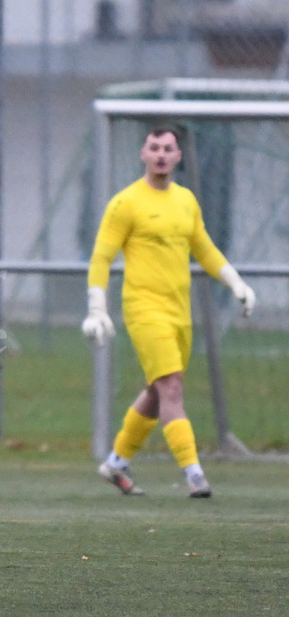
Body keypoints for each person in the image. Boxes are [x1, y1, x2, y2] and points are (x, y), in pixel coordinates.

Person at [82, 124, 255, 499]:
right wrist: (97, 307)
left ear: (177, 156)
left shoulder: (186, 201)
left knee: (158, 390)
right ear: (143, 154)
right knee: (172, 386)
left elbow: (204, 248)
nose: (160, 154)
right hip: (144, 309)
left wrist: (236, 283)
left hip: (179, 312)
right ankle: (194, 474)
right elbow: (102, 256)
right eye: (154, 147)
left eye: (167, 149)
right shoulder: (126, 203)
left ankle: (116, 462)